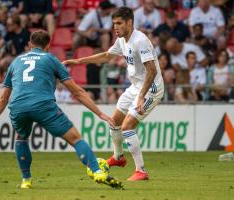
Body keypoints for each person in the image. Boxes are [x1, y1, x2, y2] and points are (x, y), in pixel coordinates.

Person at [0, 30, 123, 189]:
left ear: (29, 45)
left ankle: (26, 181)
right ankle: (97, 171)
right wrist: (100, 113)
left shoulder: (16, 62)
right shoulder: (51, 59)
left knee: (21, 137)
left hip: (18, 107)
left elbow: (2, 99)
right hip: (43, 105)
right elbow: (77, 92)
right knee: (75, 138)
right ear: (48, 46)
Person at [63, 7, 164, 181]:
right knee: (114, 121)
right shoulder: (122, 40)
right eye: (114, 24)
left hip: (151, 90)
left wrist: (141, 96)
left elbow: (152, 71)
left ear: (129, 22)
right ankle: (118, 157)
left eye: (119, 23)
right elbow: (106, 56)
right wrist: (79, 61)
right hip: (135, 87)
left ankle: (141, 171)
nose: (115, 27)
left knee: (127, 127)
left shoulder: (141, 41)